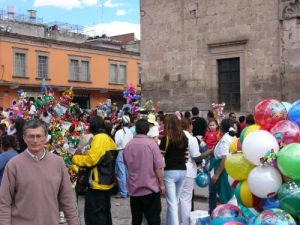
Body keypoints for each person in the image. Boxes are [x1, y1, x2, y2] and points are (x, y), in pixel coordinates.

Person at [0, 119, 78, 225]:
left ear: (46, 137)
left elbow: (67, 199)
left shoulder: (58, 163)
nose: (35, 140)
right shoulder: (14, 165)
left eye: (39, 136)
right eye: (31, 136)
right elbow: (4, 202)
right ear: (24, 138)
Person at [72, 116, 118, 225]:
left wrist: (75, 158)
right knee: (104, 214)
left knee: (95, 217)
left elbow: (91, 160)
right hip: (105, 183)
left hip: (98, 185)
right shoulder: (107, 137)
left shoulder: (100, 138)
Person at [124, 119, 165, 225]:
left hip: (134, 189)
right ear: (148, 130)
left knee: (136, 219)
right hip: (150, 189)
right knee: (153, 219)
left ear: (136, 129)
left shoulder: (129, 145)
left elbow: (126, 163)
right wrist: (161, 185)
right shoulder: (152, 145)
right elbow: (158, 167)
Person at [159, 114, 188, 225]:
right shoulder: (184, 137)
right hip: (182, 170)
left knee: (172, 203)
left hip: (170, 171)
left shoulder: (166, 138)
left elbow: (160, 157)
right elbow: (186, 156)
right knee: (175, 201)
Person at [208, 119, 236, 214]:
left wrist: (217, 174)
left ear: (221, 128)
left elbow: (225, 158)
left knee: (222, 195)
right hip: (229, 170)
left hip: (223, 172)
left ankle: (220, 215)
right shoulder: (231, 137)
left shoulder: (225, 140)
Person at [179, 118, 201, 225]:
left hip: (174, 170)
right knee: (186, 199)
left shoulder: (175, 136)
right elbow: (196, 156)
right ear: (189, 126)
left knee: (175, 199)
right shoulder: (192, 139)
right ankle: (185, 222)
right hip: (188, 170)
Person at [114, 115, 133, 198]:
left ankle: (123, 192)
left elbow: (116, 144)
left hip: (121, 152)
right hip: (129, 152)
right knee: (128, 172)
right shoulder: (131, 132)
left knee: (121, 173)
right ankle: (128, 191)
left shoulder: (119, 132)